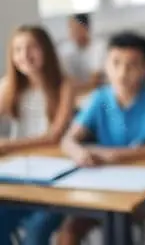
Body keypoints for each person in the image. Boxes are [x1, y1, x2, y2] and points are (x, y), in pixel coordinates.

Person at [59, 32, 145, 245]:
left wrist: (113, 155)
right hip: (100, 185)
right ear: (106, 65)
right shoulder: (100, 97)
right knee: (68, 234)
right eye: (116, 63)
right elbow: (68, 140)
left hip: (140, 189)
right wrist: (79, 152)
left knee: (120, 228)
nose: (122, 72)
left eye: (132, 65)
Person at [0, 25, 74, 245]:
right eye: (18, 50)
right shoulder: (8, 86)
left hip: (53, 177)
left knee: (37, 230)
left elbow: (54, 137)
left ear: (46, 50)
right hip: (17, 175)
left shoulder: (63, 85)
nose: (25, 56)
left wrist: (8, 146)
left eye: (32, 47)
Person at [58, 13, 106, 93]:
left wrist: (75, 87)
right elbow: (66, 79)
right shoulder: (64, 49)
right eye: (70, 28)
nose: (72, 32)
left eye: (76, 28)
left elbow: (95, 81)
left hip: (98, 91)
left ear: (86, 28)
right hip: (74, 94)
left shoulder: (100, 46)